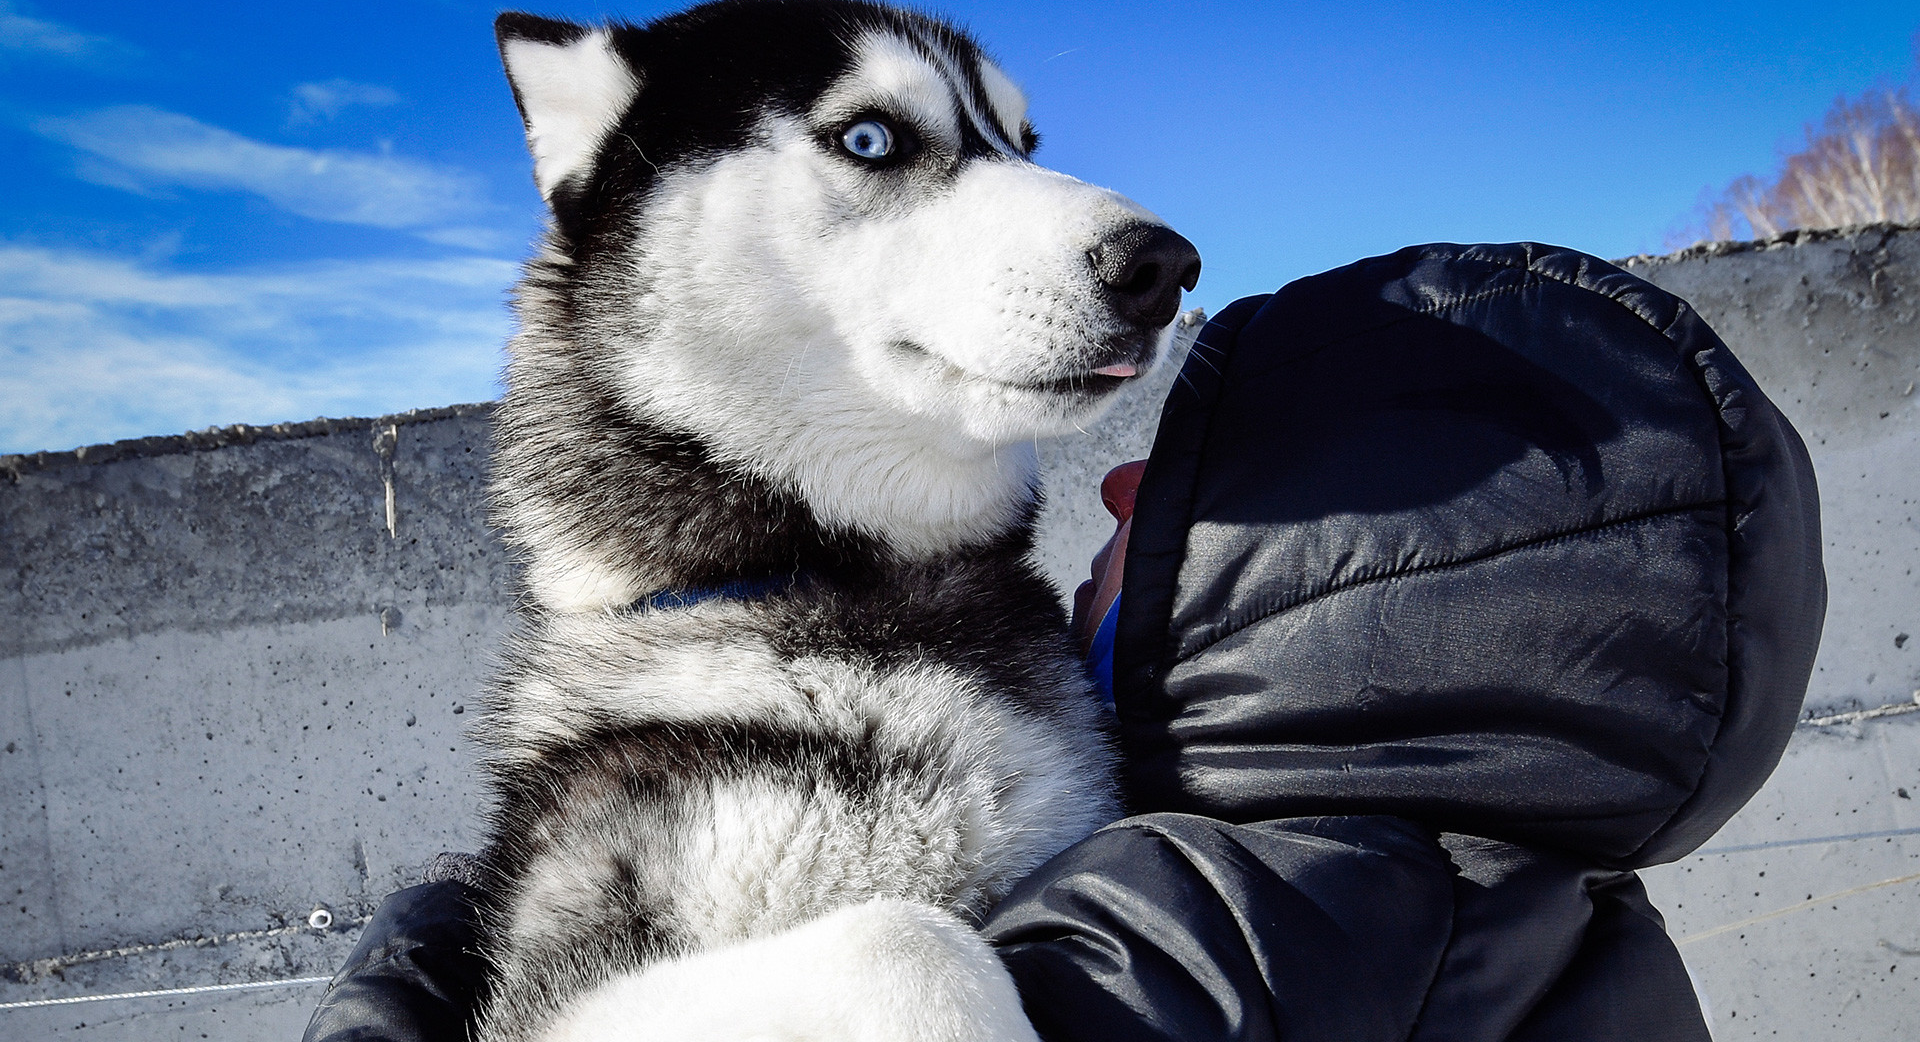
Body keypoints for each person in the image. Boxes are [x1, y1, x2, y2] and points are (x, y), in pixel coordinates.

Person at [305, 242, 1825, 1042]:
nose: (1108, 487)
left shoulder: (1244, 919)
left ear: (1348, 568)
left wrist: (418, 964)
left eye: (1182, 491)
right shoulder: (1515, 900)